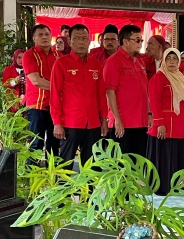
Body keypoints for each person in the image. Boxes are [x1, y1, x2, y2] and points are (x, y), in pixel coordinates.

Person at [51, 24, 108, 167]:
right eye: (77, 39)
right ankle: (65, 190)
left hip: (93, 123)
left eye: (84, 38)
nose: (81, 42)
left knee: (91, 166)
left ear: (90, 41)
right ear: (69, 41)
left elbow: (101, 93)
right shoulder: (61, 63)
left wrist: (104, 119)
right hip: (71, 123)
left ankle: (89, 190)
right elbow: (55, 94)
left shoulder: (95, 63)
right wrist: (57, 123)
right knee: (66, 165)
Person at [148, 48, 184, 195]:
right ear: (164, 60)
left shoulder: (181, 78)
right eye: (169, 59)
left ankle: (179, 187)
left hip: (182, 123)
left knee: (180, 155)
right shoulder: (159, 77)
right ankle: (164, 188)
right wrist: (159, 123)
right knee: (166, 157)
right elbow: (154, 101)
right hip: (166, 126)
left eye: (175, 59)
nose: (172, 62)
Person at [104, 24, 150, 156]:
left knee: (139, 165)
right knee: (121, 165)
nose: (140, 43)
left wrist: (149, 113)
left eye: (141, 40)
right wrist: (117, 119)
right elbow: (109, 92)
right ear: (125, 41)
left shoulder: (140, 62)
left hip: (141, 123)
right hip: (123, 123)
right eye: (137, 40)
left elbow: (145, 92)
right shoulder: (114, 62)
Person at [23, 24, 61, 156]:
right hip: (36, 106)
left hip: (56, 106)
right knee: (36, 144)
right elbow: (36, 81)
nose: (44, 37)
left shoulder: (59, 55)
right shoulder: (29, 55)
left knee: (54, 144)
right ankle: (32, 176)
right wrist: (60, 88)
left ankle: (53, 176)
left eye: (47, 34)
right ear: (34, 38)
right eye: (40, 34)